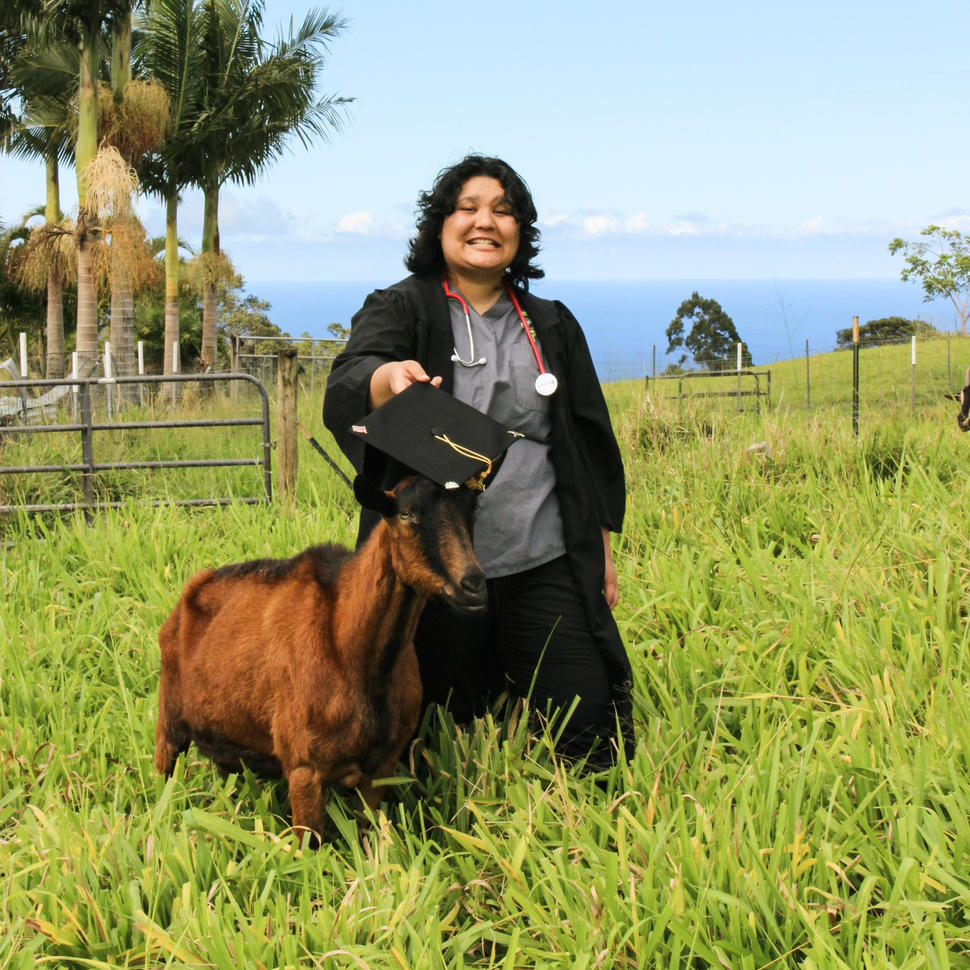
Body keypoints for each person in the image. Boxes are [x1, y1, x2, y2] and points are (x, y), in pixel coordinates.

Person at [323, 154, 633, 769]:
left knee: (591, 737)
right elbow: (349, 379)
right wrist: (389, 378)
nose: (484, 221)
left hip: (541, 554)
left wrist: (599, 550)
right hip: (431, 567)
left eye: (502, 209)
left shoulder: (551, 323)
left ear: (521, 231)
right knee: (412, 737)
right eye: (467, 208)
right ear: (440, 225)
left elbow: (588, 442)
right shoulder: (401, 307)